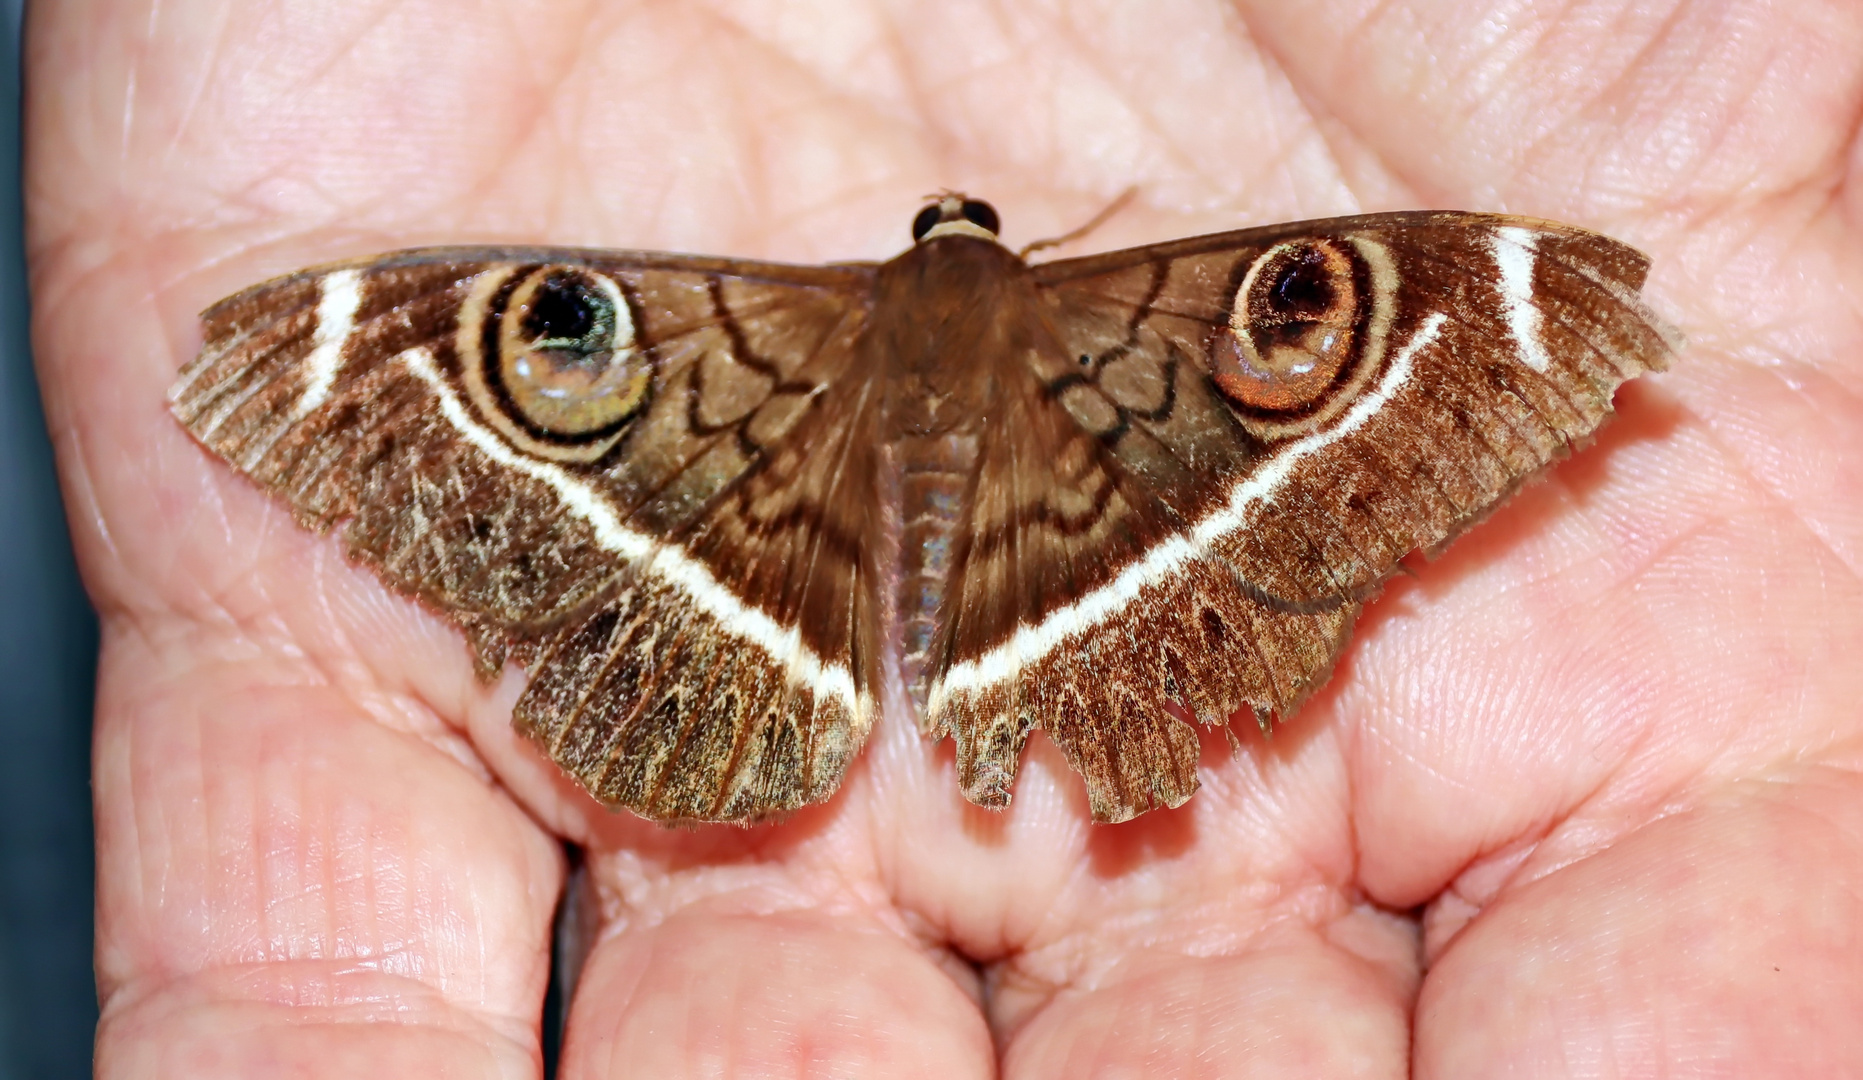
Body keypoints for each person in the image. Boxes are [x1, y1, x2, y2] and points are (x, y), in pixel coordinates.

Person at [31, 1, 1863, 1073]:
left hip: (788, 502)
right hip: (1068, 535)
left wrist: (1503, 315)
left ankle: (859, 652)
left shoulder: (762, 323)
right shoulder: (1135, 308)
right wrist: (353, 361)